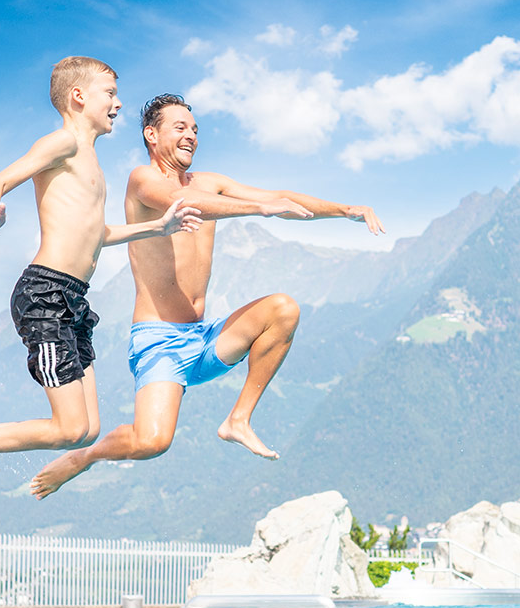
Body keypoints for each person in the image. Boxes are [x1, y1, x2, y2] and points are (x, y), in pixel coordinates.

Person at [30, 93, 384, 498]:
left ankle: (238, 420)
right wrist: (257, 209)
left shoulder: (210, 183)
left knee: (283, 310)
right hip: (159, 339)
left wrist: (345, 209)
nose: (191, 136)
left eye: (195, 129)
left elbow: (278, 198)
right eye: (180, 127)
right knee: (152, 443)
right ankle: (84, 457)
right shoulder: (141, 181)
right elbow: (186, 203)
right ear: (152, 134)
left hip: (204, 338)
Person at [0, 59, 201, 493]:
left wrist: (158, 227)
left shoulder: (92, 164)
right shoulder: (63, 142)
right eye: (110, 93)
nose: (118, 103)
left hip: (74, 299)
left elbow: (96, 233)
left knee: (87, 429)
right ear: (79, 96)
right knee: (67, 429)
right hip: (45, 292)